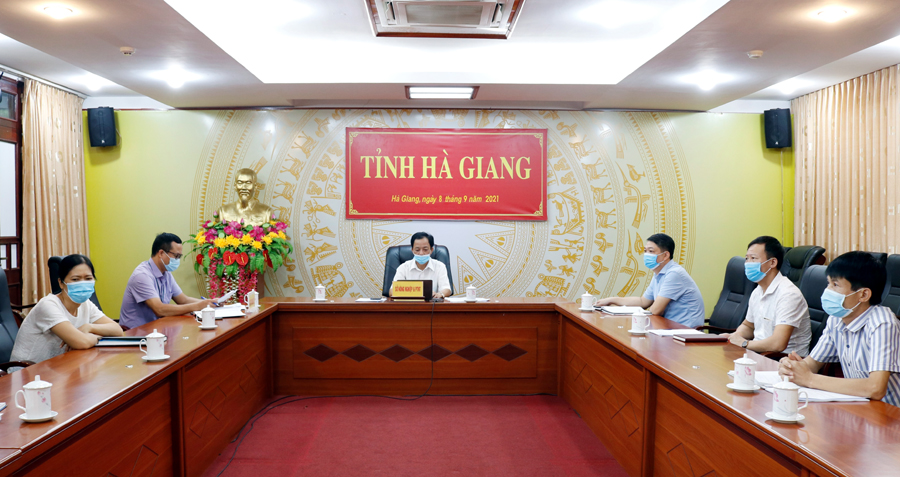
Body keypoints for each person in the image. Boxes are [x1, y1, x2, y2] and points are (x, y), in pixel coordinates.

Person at [779, 251, 900, 407]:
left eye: (835, 285)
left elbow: (875, 388)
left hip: (889, 413)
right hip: (858, 405)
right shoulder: (836, 319)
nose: (827, 290)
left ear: (863, 294)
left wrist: (810, 379)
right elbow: (812, 364)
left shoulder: (882, 324)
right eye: (828, 283)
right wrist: (792, 368)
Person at [10, 255, 123, 364]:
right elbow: (82, 342)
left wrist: (89, 327)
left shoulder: (86, 304)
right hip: (28, 371)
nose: (82, 283)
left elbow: (117, 330)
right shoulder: (48, 305)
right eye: (75, 279)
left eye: (88, 278)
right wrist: (98, 337)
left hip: (60, 366)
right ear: (61, 283)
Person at [593, 233, 705, 327]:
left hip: (685, 332)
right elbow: (643, 302)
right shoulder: (659, 274)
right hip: (668, 328)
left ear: (665, 255)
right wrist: (611, 300)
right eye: (645, 251)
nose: (646, 255)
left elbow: (655, 310)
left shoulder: (674, 274)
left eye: (651, 251)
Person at [723, 236, 811, 356]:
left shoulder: (789, 295)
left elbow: (778, 344)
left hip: (783, 359)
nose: (748, 263)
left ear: (772, 262)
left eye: (753, 258)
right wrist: (733, 337)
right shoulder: (757, 291)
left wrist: (744, 343)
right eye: (747, 258)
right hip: (758, 353)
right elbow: (748, 326)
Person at [120, 233, 214, 329]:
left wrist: (210, 303)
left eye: (179, 257)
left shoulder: (166, 273)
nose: (177, 260)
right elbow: (159, 309)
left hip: (158, 328)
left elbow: (183, 300)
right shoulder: (142, 275)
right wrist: (198, 306)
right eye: (176, 256)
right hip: (137, 333)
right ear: (161, 253)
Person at [391, 232, 452, 300]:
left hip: (432, 305)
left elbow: (447, 290)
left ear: (431, 250)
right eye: (417, 250)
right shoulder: (403, 267)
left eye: (425, 249)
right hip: (409, 304)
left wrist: (439, 294)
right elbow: (392, 291)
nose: (421, 253)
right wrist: (417, 293)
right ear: (412, 250)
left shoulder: (440, 266)